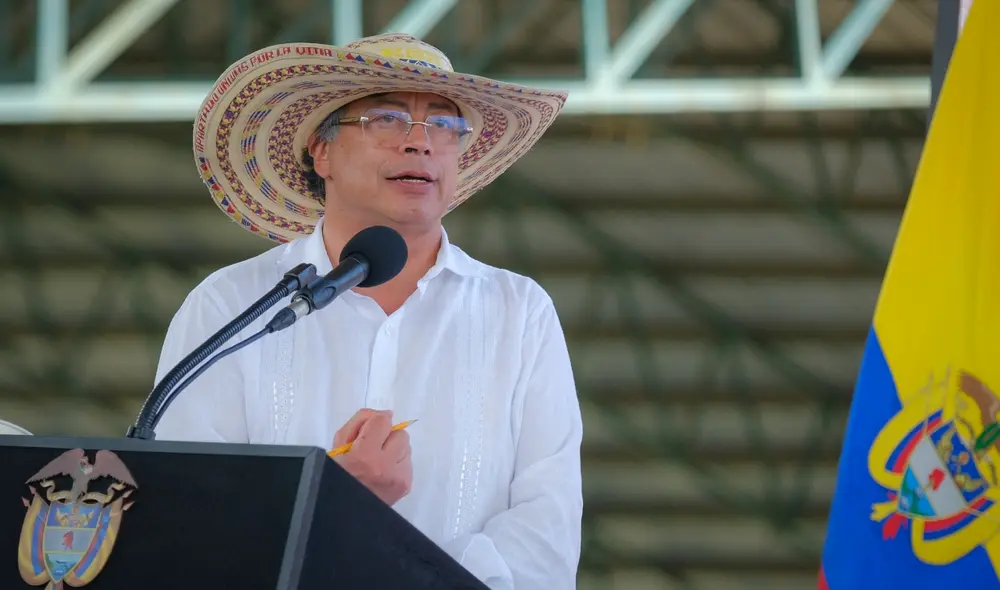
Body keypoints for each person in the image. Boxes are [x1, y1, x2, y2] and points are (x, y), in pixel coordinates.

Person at [154, 34, 583, 589]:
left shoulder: (519, 313)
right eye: (386, 119)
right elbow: (183, 520)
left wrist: (368, 550)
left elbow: (545, 538)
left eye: (445, 126)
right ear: (321, 150)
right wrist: (327, 506)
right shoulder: (230, 306)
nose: (420, 144)